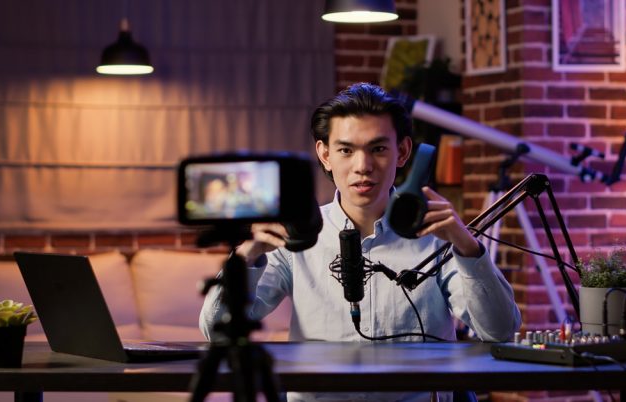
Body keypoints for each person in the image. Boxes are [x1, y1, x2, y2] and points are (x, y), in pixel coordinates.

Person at [200, 83, 521, 402]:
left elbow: (499, 331)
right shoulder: (293, 235)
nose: (362, 166)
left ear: (404, 152)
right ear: (325, 155)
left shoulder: (437, 235)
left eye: (378, 149)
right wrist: (247, 254)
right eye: (346, 150)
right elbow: (215, 332)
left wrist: (467, 246)